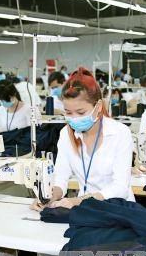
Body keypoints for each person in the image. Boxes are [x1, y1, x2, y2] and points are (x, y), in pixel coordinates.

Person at [31, 67, 134, 211]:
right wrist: (47, 197)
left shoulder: (120, 133)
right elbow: (60, 179)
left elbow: (120, 188)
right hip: (84, 211)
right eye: (68, 112)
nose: (74, 118)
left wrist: (78, 200)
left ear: (98, 106)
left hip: (119, 210)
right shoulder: (66, 134)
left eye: (80, 112)